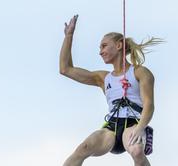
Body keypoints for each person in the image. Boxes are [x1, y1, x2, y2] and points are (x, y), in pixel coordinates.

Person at [60, 15, 162, 166]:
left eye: (104, 46)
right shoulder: (103, 78)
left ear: (119, 45)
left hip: (133, 124)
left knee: (137, 151)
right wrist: (69, 36)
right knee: (83, 148)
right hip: (112, 128)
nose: (100, 51)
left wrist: (141, 128)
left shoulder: (140, 72)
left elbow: (149, 105)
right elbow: (65, 69)